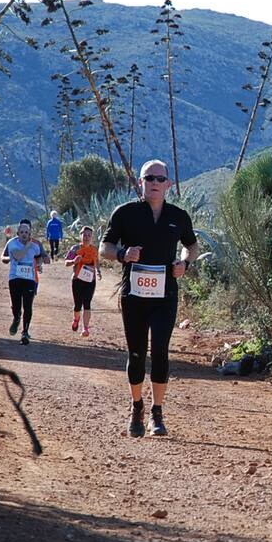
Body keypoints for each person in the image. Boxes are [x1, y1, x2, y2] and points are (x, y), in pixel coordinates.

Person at [100, 159, 199, 438]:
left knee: (160, 350)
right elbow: (104, 246)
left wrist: (184, 264)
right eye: (149, 178)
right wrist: (122, 254)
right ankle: (136, 407)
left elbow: (191, 246)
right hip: (134, 296)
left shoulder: (178, 216)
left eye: (159, 179)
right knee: (136, 353)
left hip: (165, 295)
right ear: (140, 182)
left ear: (168, 184)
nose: (154, 183)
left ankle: (157, 412)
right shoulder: (125, 213)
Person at [1, 218, 46, 345]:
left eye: (26, 232)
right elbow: (16, 256)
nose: (24, 234)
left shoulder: (36, 245)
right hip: (15, 278)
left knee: (28, 305)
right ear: (18, 233)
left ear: (30, 233)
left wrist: (41, 262)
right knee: (16, 306)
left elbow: (40, 256)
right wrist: (9, 258)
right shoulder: (12, 244)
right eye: (22, 232)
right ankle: (16, 318)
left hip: (30, 279)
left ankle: (25, 332)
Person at [65, 225, 102, 336]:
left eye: (89, 235)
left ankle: (85, 328)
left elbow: (97, 262)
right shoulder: (75, 248)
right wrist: (73, 261)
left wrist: (98, 271)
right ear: (80, 236)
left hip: (90, 280)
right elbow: (66, 262)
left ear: (92, 237)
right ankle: (76, 319)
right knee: (77, 305)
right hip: (77, 280)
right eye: (84, 235)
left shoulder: (94, 250)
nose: (86, 237)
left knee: (87, 303)